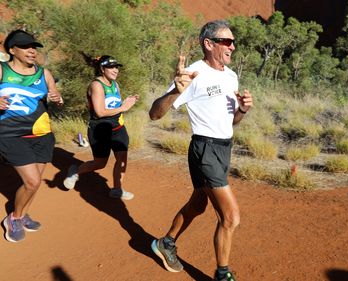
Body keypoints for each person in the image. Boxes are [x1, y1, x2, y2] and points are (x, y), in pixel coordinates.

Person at [149, 20, 253, 281]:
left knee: (198, 204)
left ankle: (166, 242)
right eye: (226, 41)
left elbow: (231, 122)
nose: (232, 46)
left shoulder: (231, 76)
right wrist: (175, 90)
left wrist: (242, 110)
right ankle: (222, 274)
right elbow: (154, 114)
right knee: (230, 217)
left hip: (223, 147)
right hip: (205, 149)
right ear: (208, 44)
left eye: (233, 41)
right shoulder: (193, 74)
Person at [0, 29, 63, 242]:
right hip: (11, 134)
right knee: (32, 182)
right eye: (25, 47)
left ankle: (23, 213)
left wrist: (57, 98)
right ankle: (14, 218)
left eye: (33, 47)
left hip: (41, 134)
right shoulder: (2, 71)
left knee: (35, 183)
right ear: (12, 50)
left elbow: (56, 97)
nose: (31, 51)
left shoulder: (43, 73)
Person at [63, 55, 139, 200]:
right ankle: (75, 171)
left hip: (118, 128)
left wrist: (128, 101)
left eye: (116, 67)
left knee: (122, 159)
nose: (115, 70)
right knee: (100, 163)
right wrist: (124, 107)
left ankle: (117, 189)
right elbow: (100, 112)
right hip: (100, 130)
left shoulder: (115, 85)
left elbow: (116, 105)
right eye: (111, 67)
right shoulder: (96, 85)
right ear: (102, 69)